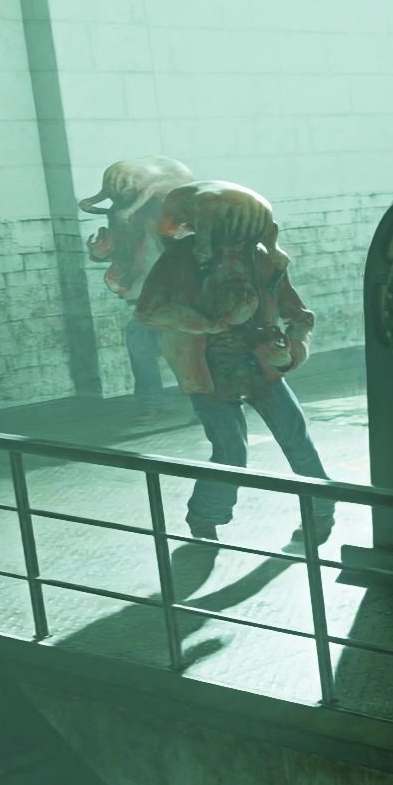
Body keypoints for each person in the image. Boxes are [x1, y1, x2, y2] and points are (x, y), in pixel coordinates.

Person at [134, 181, 333, 551]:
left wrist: (289, 355)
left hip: (262, 369)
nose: (234, 250)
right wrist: (206, 324)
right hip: (208, 371)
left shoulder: (266, 260)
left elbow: (300, 317)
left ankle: (321, 510)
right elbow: (148, 310)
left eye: (242, 240)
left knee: (296, 439)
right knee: (230, 452)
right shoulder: (180, 260)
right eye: (226, 238)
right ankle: (206, 517)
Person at [81, 156, 195, 419]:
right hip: (149, 295)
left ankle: (203, 404)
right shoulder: (124, 216)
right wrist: (100, 253)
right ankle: (151, 403)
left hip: (183, 295)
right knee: (141, 342)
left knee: (188, 350)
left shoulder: (173, 210)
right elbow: (124, 253)